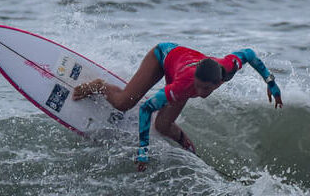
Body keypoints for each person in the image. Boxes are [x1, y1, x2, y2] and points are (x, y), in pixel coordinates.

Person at [73, 42, 282, 171]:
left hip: (182, 68)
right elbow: (146, 109)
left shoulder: (228, 67)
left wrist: (271, 82)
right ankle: (99, 86)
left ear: (219, 83)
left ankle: (188, 148)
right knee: (124, 104)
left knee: (163, 126)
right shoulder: (185, 85)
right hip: (163, 56)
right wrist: (143, 150)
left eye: (205, 89)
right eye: (198, 87)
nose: (200, 93)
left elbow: (249, 54)